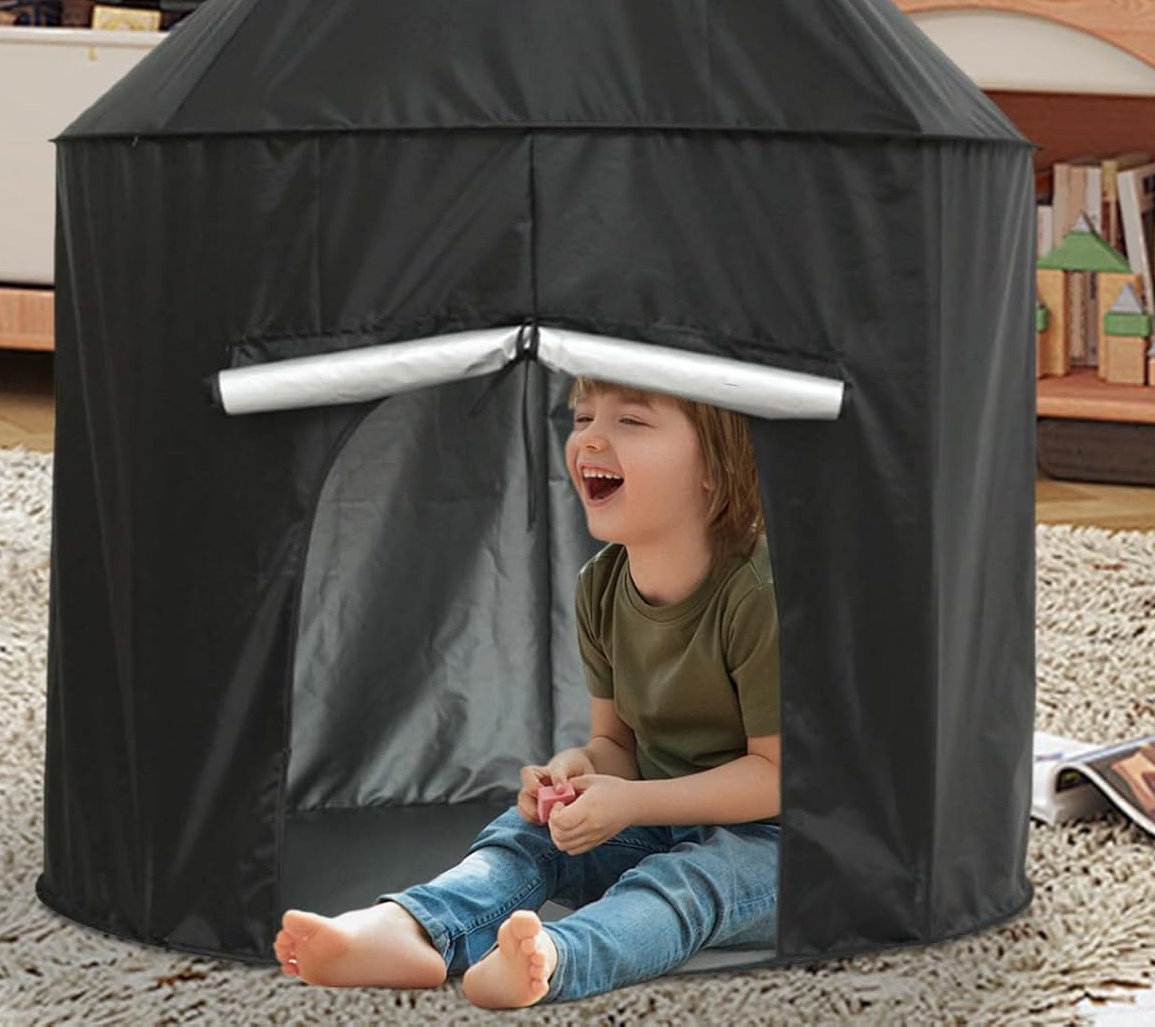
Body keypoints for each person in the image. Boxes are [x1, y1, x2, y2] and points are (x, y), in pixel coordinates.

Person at [273, 374, 781, 1007]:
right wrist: (578, 771)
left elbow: (776, 778)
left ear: (715, 465)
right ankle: (414, 929)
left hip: (777, 846)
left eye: (630, 421)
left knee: (690, 883)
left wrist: (631, 803)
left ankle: (557, 958)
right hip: (660, 820)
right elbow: (615, 746)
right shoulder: (600, 586)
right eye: (584, 417)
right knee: (525, 835)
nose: (590, 438)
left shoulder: (759, 592)